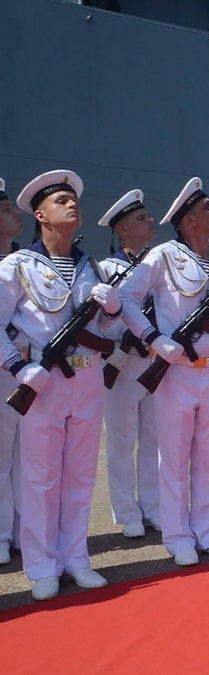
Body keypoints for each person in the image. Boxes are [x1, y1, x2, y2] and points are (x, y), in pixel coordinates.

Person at [0, 170, 120, 599]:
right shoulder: (16, 266)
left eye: (74, 199)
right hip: (43, 381)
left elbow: (109, 328)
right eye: (61, 200)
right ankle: (41, 564)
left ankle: (76, 557)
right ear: (40, 214)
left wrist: (112, 310)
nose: (72, 204)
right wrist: (16, 366)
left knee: (81, 473)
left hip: (87, 379)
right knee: (41, 476)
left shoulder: (92, 266)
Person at [120, 176, 209, 567]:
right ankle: (177, 536)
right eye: (208, 208)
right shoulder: (163, 256)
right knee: (173, 457)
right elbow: (126, 298)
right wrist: (154, 338)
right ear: (189, 219)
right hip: (176, 371)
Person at [98, 189, 161, 539]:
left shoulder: (158, 265)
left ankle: (153, 506)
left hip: (154, 362)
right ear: (121, 229)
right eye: (140, 219)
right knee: (121, 441)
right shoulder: (106, 269)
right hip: (121, 364)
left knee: (154, 439)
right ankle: (126, 512)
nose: (150, 221)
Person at [0, 178, 22, 566]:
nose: (14, 214)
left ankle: (24, 532)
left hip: (28, 368)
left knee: (28, 457)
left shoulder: (24, 262)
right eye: (5, 210)